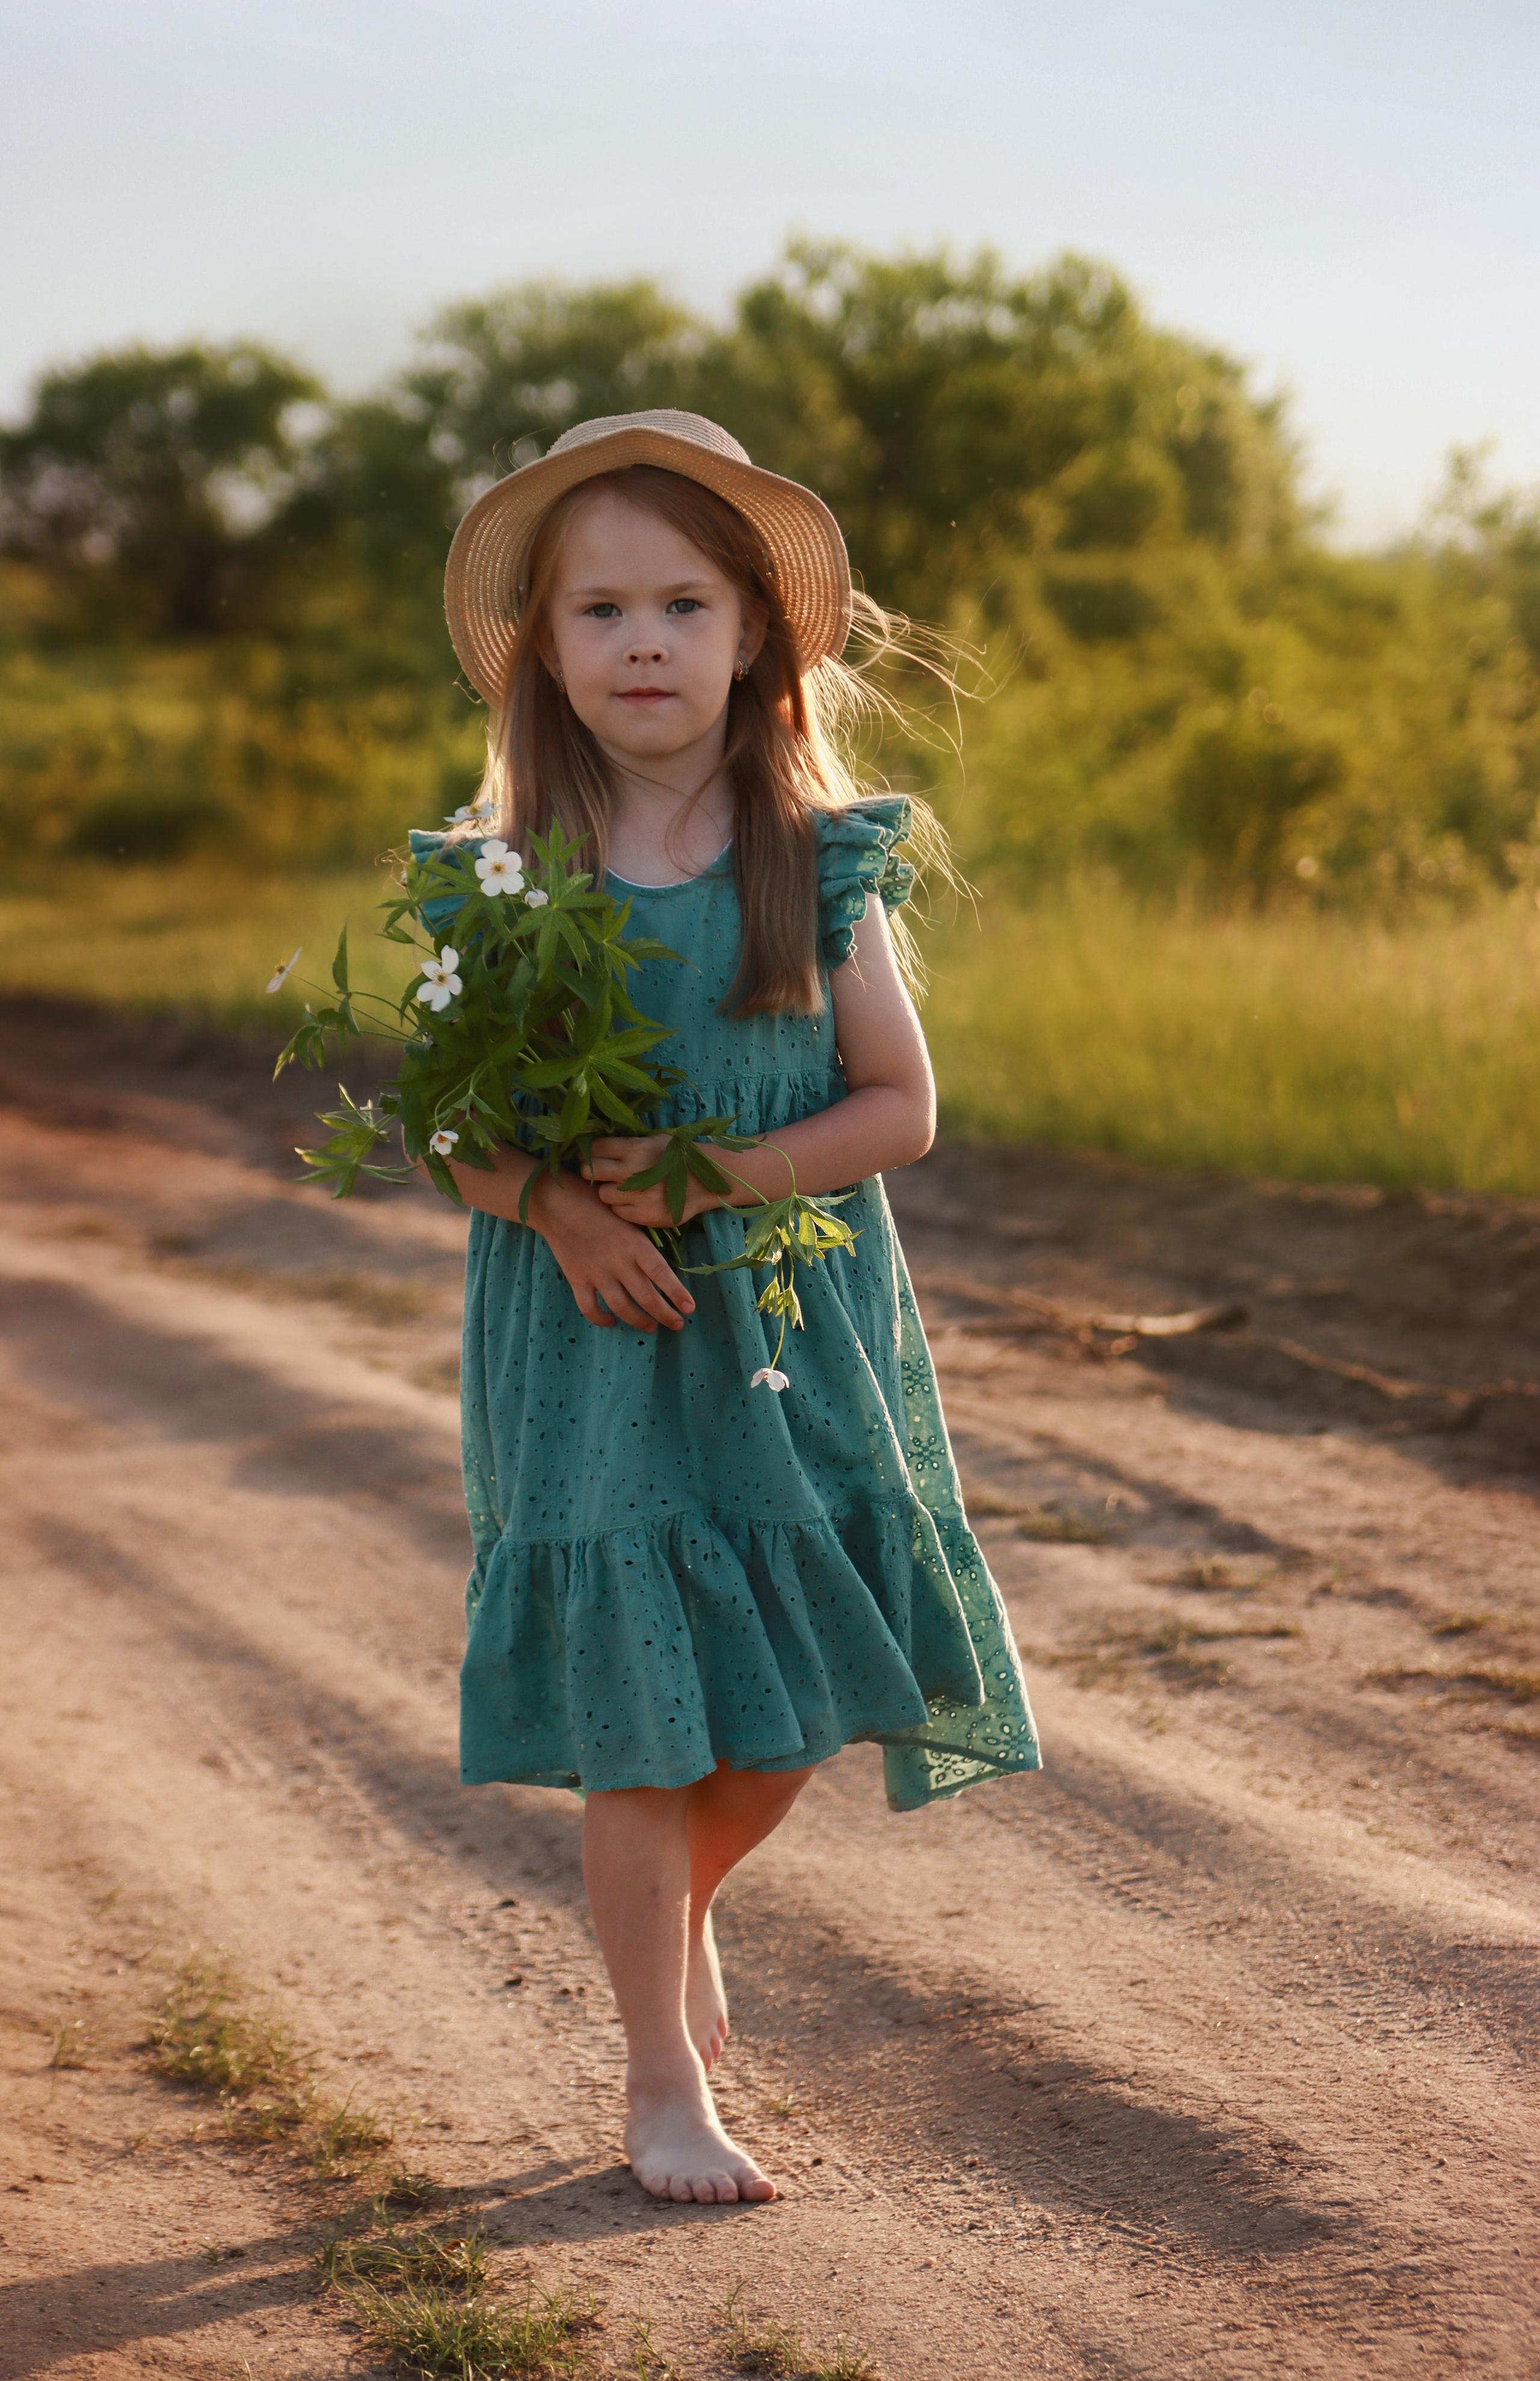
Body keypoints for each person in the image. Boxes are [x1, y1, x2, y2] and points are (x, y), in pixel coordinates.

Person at [414, 411, 1040, 2207]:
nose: (643, 643)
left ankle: (679, 1901)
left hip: (782, 1330)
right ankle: (658, 2082)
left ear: (756, 633)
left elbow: (897, 1109)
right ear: (547, 647)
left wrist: (704, 1182)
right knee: (644, 1718)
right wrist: (549, 1205)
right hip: (597, 1345)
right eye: (600, 610)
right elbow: (449, 1123)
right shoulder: (501, 877)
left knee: (785, 1713)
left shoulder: (819, 857)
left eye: (683, 604)